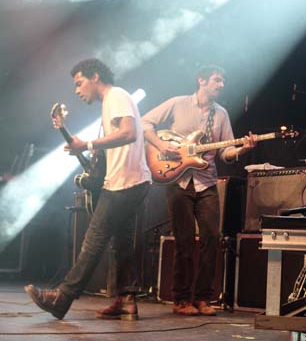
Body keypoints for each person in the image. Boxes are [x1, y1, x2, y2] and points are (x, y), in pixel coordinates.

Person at [25, 58, 151, 320]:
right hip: (128, 182)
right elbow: (105, 150)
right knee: (122, 244)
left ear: (95, 77)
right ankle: (126, 301)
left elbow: (130, 134)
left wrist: (89, 144)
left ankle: (62, 298)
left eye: (79, 83)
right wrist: (75, 141)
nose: (77, 90)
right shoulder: (111, 102)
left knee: (93, 242)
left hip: (125, 184)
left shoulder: (115, 95)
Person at [142, 64, 256, 316]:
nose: (221, 84)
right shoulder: (177, 104)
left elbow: (226, 151)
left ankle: (203, 298)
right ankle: (181, 299)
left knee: (211, 240)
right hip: (178, 181)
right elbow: (144, 122)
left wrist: (242, 149)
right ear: (201, 81)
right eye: (217, 80)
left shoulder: (222, 114)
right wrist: (162, 144)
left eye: (223, 81)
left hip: (206, 183)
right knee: (183, 242)